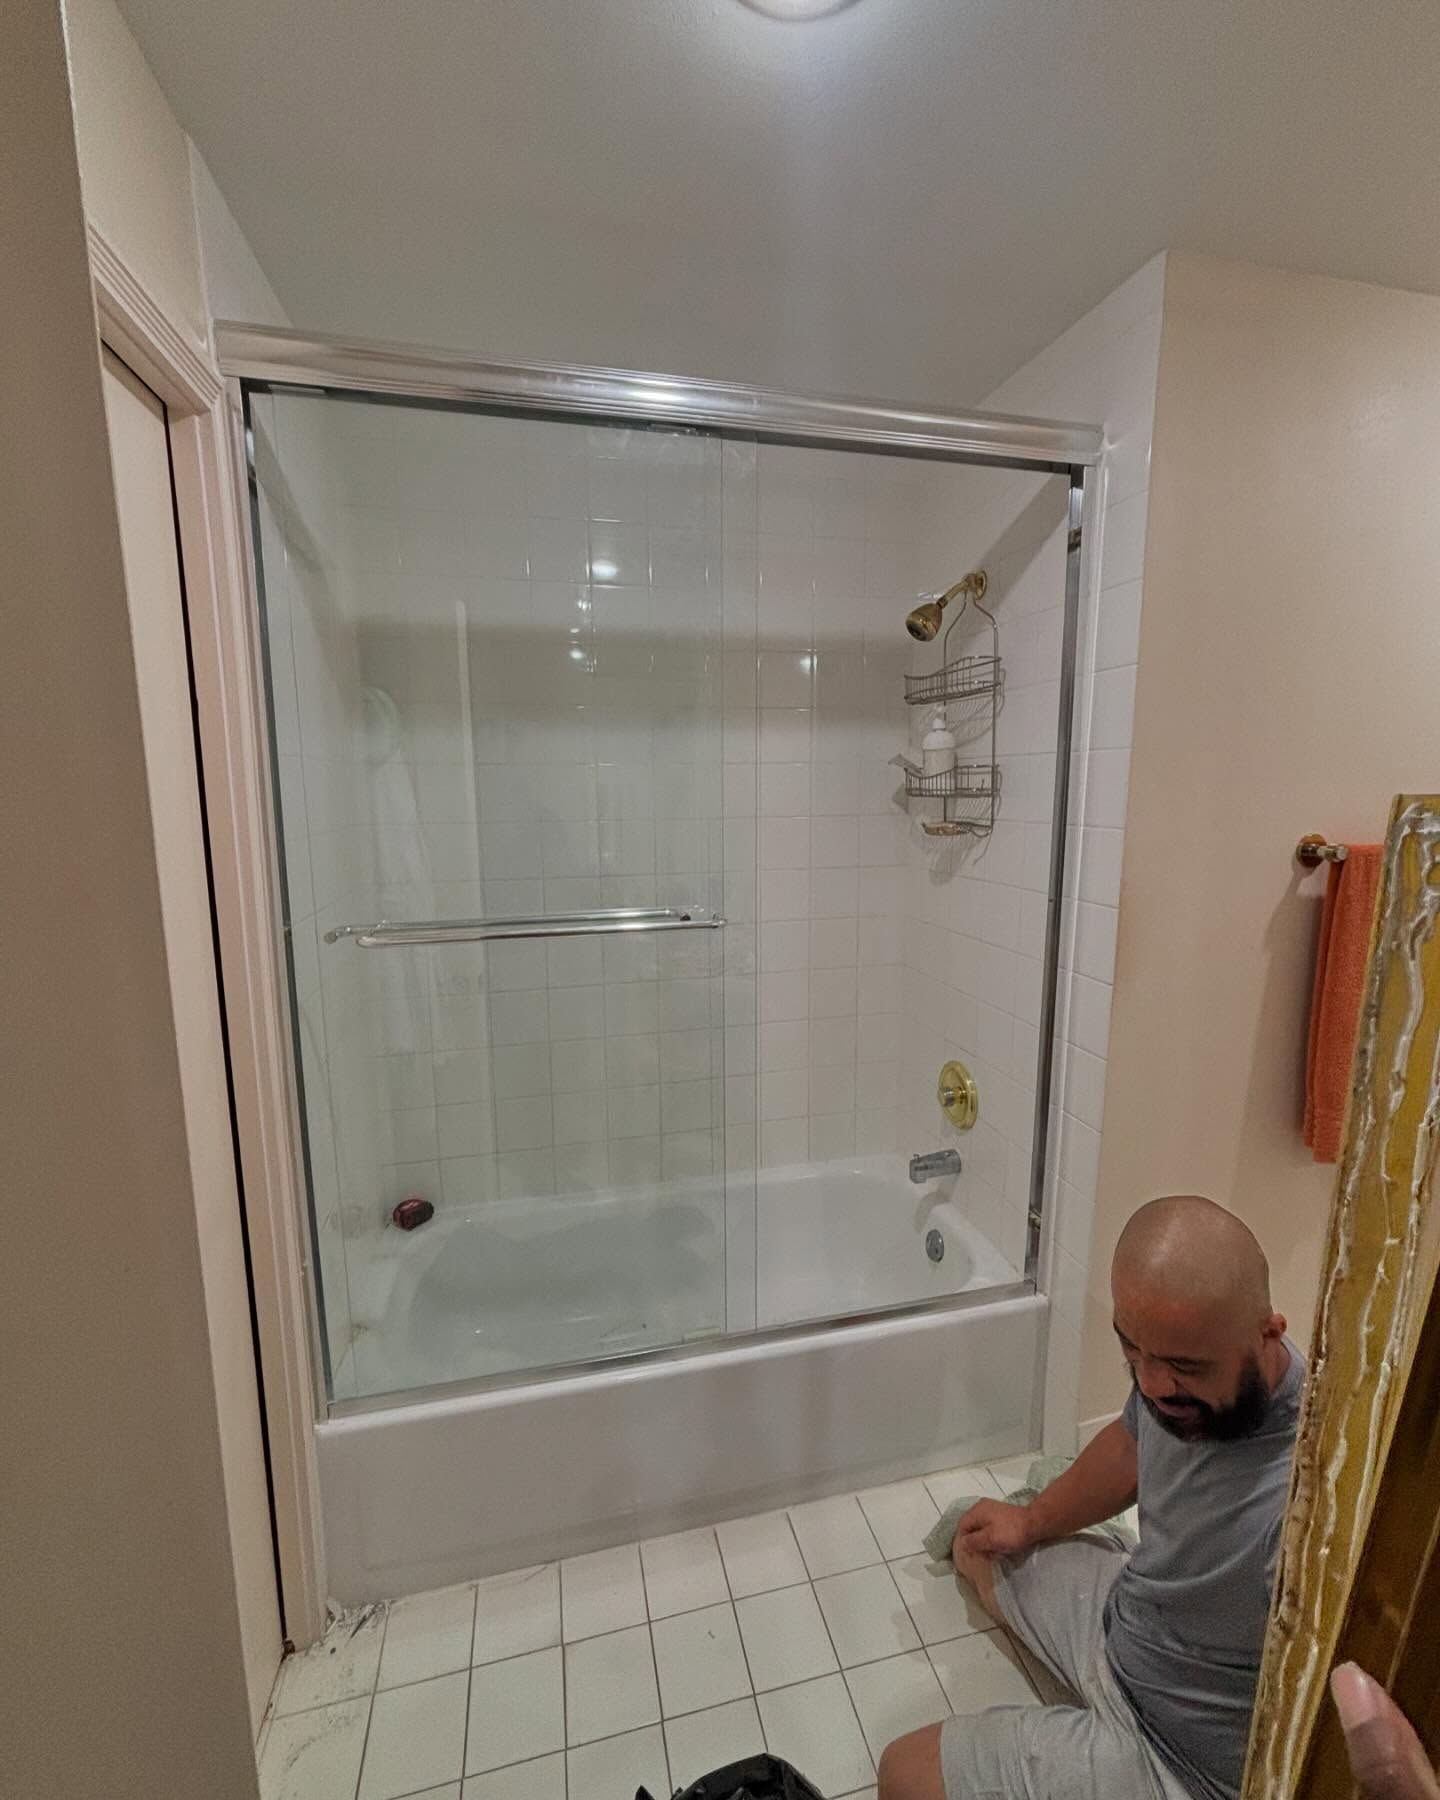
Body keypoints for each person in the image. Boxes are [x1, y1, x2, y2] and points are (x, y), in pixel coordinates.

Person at [878, 1195, 1305, 1800]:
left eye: (1183, 1365)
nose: (1155, 1385)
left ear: (1269, 1333)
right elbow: (1132, 1446)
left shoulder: (1305, 1503)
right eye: (1133, 1349)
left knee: (904, 1773)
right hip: (1127, 1622)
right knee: (979, 1547)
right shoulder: (1182, 1377)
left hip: (1180, 1761)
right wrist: (1029, 1522)